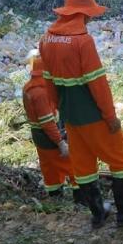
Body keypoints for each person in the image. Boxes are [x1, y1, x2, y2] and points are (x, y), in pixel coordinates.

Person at [39, 0, 123, 228]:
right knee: (122, 160)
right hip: (93, 116)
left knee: (84, 165)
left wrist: (59, 111)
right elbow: (97, 84)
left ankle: (98, 214)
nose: (91, 19)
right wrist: (110, 117)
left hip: (70, 116)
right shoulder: (82, 41)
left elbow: (48, 82)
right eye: (90, 15)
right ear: (83, 14)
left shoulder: (46, 39)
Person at [22, 56, 78, 200]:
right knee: (72, 165)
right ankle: (82, 198)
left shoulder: (29, 88)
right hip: (49, 136)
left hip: (39, 136)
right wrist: (61, 143)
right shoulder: (41, 93)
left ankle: (55, 198)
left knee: (50, 169)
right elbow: (47, 122)